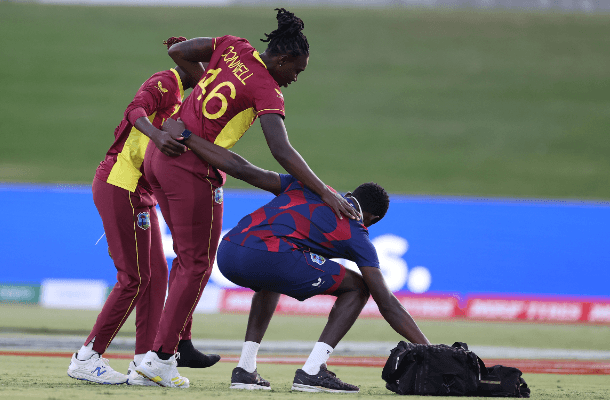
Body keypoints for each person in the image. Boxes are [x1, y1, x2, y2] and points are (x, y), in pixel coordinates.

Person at [134, 8, 360, 389]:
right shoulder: (266, 89)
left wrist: (210, 81)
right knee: (197, 263)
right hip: (190, 168)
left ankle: (170, 349)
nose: (294, 79)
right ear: (283, 59)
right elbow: (281, 151)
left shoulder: (234, 47)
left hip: (161, 155)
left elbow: (179, 52)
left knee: (186, 260)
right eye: (296, 71)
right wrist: (324, 191)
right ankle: (159, 358)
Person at [161, 117, 431, 393]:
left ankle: (245, 369)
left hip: (228, 250)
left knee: (274, 276)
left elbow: (241, 168)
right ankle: (313, 371)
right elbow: (387, 303)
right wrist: (429, 349)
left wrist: (187, 136)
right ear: (372, 219)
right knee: (360, 287)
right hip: (267, 255)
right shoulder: (358, 234)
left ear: (349, 194)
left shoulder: (304, 185)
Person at [66, 38, 219, 387]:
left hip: (141, 191)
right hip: (120, 182)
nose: (212, 78)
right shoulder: (165, 81)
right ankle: (87, 357)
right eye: (209, 71)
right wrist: (157, 135)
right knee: (133, 278)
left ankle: (144, 363)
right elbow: (134, 110)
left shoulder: (192, 100)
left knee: (156, 277)